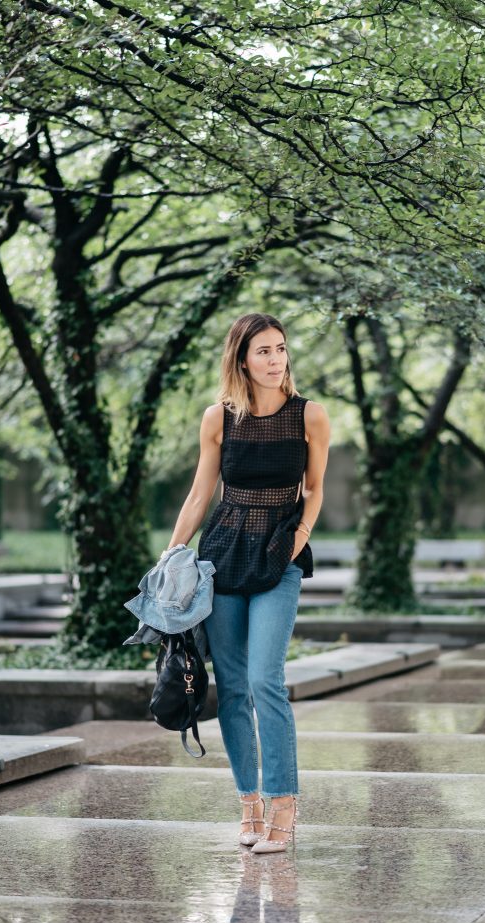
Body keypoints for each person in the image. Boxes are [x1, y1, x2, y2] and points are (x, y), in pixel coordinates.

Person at [166, 312, 330, 853]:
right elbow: (199, 495)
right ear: (241, 358)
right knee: (232, 688)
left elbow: (315, 489)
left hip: (280, 553)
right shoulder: (219, 418)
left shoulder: (310, 416)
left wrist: (300, 536)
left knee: (265, 679)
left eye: (280, 348)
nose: (275, 359)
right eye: (263, 351)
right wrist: (171, 556)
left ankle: (284, 807)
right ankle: (249, 805)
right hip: (222, 554)